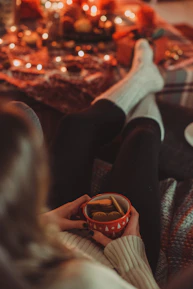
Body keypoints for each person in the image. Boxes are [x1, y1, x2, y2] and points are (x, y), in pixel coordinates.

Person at [0, 39, 164, 289]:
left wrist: (41, 223)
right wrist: (132, 252)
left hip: (47, 233)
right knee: (141, 140)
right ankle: (145, 81)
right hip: (122, 257)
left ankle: (143, 78)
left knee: (73, 126)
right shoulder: (81, 279)